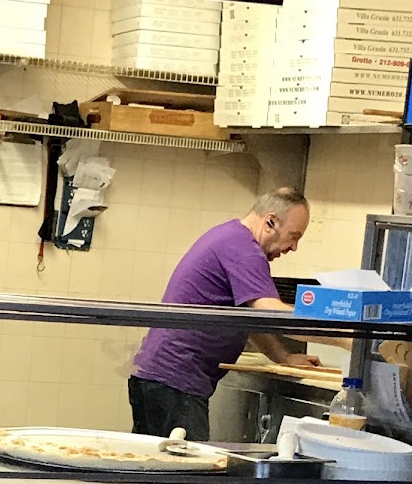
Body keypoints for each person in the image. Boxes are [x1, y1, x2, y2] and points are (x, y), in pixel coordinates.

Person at [128, 185, 323, 441]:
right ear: (271, 222)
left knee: (157, 462)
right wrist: (345, 335)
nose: (293, 247)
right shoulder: (243, 249)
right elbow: (269, 310)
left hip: (160, 378)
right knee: (186, 465)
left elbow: (250, 317)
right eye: (293, 236)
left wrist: (283, 357)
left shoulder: (232, 237)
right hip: (175, 382)